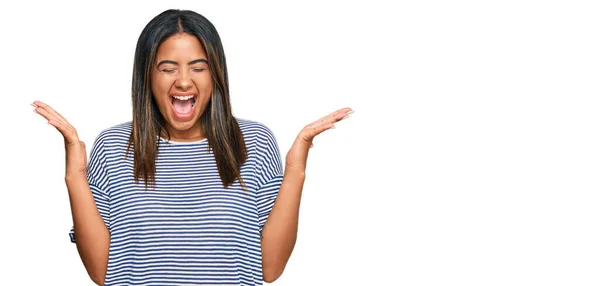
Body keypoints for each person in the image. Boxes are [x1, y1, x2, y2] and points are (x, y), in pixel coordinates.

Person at [32, 9, 352, 286]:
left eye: (198, 68)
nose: (183, 81)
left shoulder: (255, 142)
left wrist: (295, 169)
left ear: (216, 76)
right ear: (147, 77)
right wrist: (74, 175)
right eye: (168, 68)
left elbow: (270, 267)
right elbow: (102, 272)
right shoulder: (113, 146)